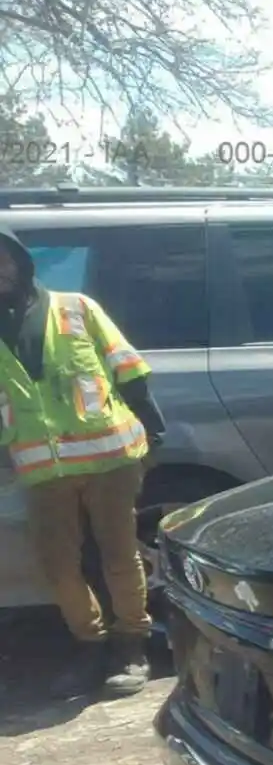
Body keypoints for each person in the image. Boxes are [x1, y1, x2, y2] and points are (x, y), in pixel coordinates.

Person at [0, 228, 168, 696]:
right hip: (40, 468)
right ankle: (89, 645)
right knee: (58, 566)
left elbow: (127, 368)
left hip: (110, 456)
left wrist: (154, 428)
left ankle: (131, 647)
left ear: (19, 261)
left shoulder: (76, 307)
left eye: (3, 260)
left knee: (120, 554)